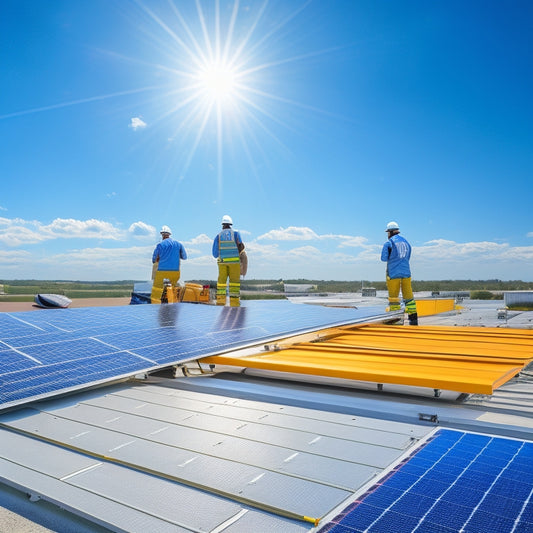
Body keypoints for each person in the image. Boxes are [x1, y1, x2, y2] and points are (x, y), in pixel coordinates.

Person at [381, 221, 418, 325]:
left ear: (390, 232)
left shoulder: (389, 243)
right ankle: (413, 319)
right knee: (409, 296)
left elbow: (383, 258)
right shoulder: (407, 243)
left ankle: (396, 320)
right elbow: (408, 257)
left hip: (393, 274)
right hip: (406, 273)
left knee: (394, 298)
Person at [212, 215, 245, 306]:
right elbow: (241, 246)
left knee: (221, 282)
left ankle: (221, 302)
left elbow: (215, 254)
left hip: (222, 263)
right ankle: (234, 303)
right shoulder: (236, 233)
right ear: (231, 224)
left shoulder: (218, 236)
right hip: (235, 263)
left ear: (222, 225)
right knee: (234, 283)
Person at [151, 225, 187, 304]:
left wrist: (159, 258)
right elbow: (184, 257)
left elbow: (154, 260)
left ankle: (154, 308)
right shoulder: (179, 244)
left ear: (162, 235)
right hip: (175, 272)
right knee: (172, 290)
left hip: (162, 271)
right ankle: (172, 307)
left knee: (157, 290)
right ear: (169, 234)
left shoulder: (160, 245)